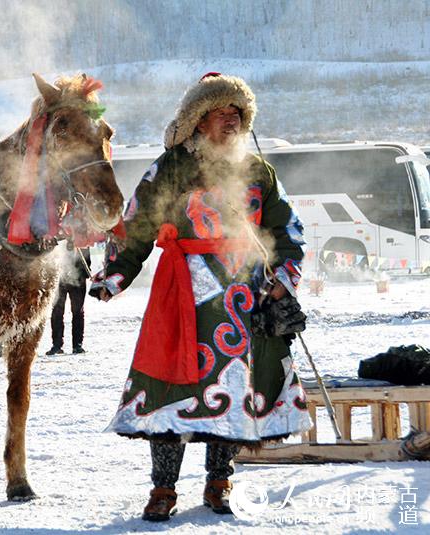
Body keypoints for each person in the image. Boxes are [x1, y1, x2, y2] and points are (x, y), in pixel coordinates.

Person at [91, 73, 309, 521]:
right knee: (170, 385)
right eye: (219, 114)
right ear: (197, 120)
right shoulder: (170, 167)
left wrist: (283, 278)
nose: (231, 122)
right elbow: (137, 225)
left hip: (243, 298)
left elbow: (289, 231)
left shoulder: (259, 172)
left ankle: (219, 481)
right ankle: (163, 490)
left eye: (237, 114)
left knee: (232, 387)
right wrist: (115, 274)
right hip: (182, 292)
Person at [46, 242, 91, 355]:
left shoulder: (81, 230)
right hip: (59, 275)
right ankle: (56, 345)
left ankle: (77, 345)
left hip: (79, 275)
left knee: (78, 311)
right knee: (57, 310)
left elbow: (86, 247)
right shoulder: (57, 229)